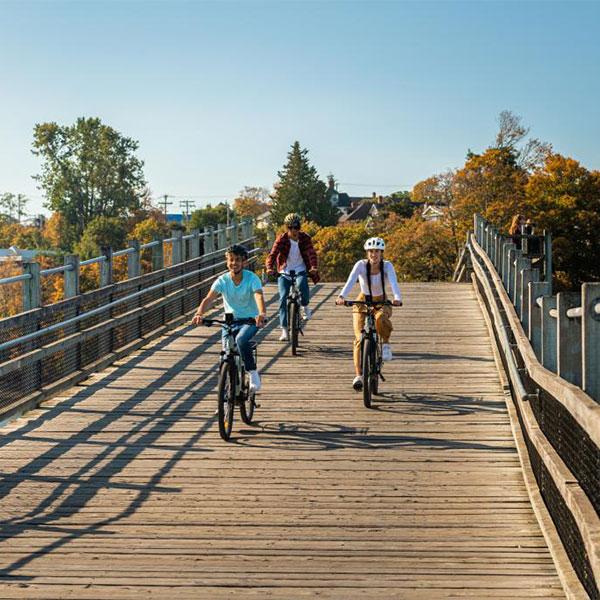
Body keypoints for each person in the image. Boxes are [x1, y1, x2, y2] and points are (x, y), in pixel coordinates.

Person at [192, 244, 266, 392]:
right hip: (229, 322)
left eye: (238, 260)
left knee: (241, 340)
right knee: (225, 356)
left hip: (250, 320)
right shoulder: (222, 280)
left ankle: (252, 372)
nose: (234, 263)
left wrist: (261, 313)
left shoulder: (252, 278)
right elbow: (209, 298)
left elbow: (258, 295)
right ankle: (225, 400)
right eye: (231, 260)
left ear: (244, 262)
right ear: (227, 262)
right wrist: (199, 313)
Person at [335, 237, 402, 391]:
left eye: (377, 251)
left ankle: (385, 343)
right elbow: (351, 281)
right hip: (363, 300)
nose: (374, 254)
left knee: (380, 318)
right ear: (367, 253)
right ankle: (359, 375)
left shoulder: (387, 266)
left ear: (381, 253)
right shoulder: (360, 265)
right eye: (371, 251)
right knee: (359, 338)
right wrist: (341, 297)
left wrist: (397, 298)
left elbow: (393, 282)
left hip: (382, 301)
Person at [266, 213, 320, 342]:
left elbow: (311, 253)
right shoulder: (282, 239)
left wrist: (313, 267)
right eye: (291, 227)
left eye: (297, 227)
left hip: (301, 269)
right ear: (287, 228)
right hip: (285, 271)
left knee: (302, 285)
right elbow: (272, 254)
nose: (294, 230)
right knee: (283, 299)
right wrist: (269, 267)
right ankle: (284, 330)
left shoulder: (305, 238)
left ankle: (305, 307)